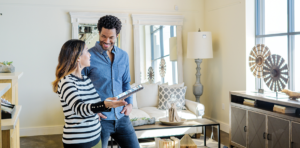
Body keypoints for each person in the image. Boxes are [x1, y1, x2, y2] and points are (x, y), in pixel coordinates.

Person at [52, 39, 128, 148]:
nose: (90, 55)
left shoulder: (86, 80)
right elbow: (80, 109)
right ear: (78, 57)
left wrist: (111, 102)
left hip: (96, 137)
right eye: (87, 51)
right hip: (78, 142)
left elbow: (95, 105)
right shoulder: (66, 82)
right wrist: (105, 104)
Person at [82, 15, 140, 148]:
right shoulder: (88, 56)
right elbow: (82, 87)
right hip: (100, 119)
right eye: (103, 36)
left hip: (122, 117)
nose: (106, 40)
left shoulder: (123, 56)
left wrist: (130, 104)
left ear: (117, 36)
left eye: (111, 37)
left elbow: (126, 83)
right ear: (99, 33)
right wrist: (92, 110)